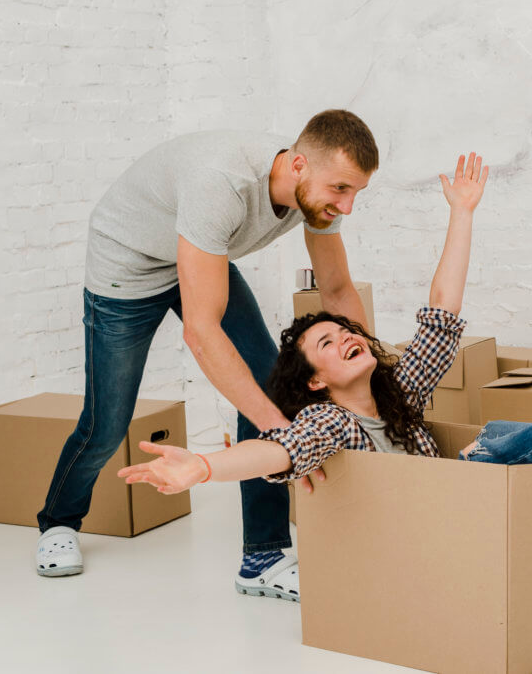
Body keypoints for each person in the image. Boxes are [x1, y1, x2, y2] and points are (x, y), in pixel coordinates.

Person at [117, 152, 532, 531]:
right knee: (494, 450)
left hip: (462, 498)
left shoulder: (398, 391)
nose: (347, 339)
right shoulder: (333, 427)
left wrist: (462, 214)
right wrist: (201, 465)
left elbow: (440, 316)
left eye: (345, 331)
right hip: (426, 524)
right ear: (317, 382)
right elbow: (276, 452)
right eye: (326, 344)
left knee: (500, 438)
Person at [36, 110, 379, 603]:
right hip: (126, 269)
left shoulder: (319, 194)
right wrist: (282, 432)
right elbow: (201, 332)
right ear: (299, 165)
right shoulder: (221, 181)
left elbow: (338, 289)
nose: (346, 206)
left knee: (267, 385)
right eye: (341, 189)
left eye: (355, 193)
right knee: (107, 422)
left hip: (195, 255)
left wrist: (374, 379)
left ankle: (263, 557)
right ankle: (57, 522)